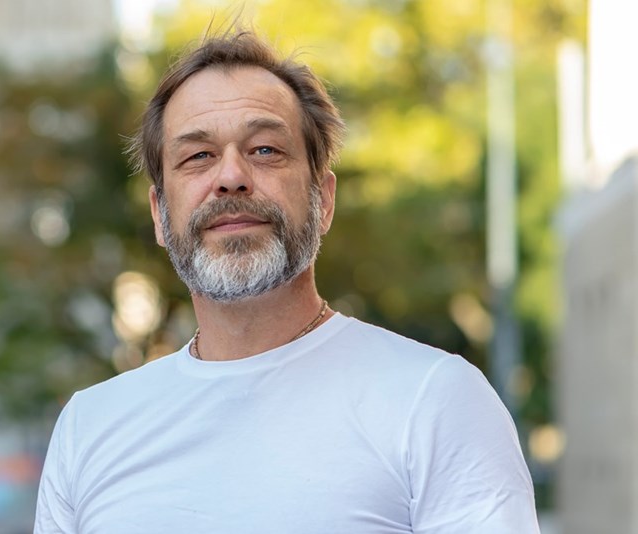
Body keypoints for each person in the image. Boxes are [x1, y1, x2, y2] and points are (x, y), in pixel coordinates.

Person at [34, 26, 540, 533]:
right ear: (161, 216)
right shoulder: (89, 427)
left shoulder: (434, 400)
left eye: (265, 150)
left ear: (324, 200)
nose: (231, 176)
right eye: (198, 156)